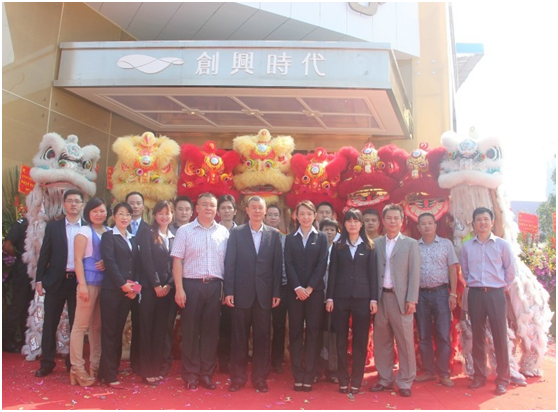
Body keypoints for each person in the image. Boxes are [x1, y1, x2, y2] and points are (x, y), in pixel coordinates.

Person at [224, 196, 283, 393]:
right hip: (241, 293)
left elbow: (277, 266)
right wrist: (229, 291)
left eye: (260, 208)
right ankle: (238, 378)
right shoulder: (236, 233)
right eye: (253, 208)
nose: (257, 211)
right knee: (239, 337)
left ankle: (260, 378)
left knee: (263, 337)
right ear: (247, 210)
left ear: (265, 211)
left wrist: (276, 291)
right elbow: (230, 263)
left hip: (264, 294)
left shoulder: (274, 235)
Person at [172, 193, 229, 390]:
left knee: (210, 333)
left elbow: (228, 263)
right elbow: (177, 260)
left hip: (215, 286)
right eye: (204, 204)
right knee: (190, 331)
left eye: (212, 205)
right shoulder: (185, 231)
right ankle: (190, 374)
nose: (208, 208)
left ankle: (206, 374)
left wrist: (226, 289)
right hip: (191, 285)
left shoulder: (224, 232)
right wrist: (179, 288)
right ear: (197, 208)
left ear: (216, 209)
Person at [461, 207, 515, 396]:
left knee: (500, 336)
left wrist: (499, 288)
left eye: (486, 219)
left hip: (496, 294)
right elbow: (465, 271)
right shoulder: (467, 246)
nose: (482, 222)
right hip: (475, 294)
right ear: (474, 224)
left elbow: (510, 272)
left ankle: (503, 379)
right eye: (479, 219)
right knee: (477, 335)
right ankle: (479, 375)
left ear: (492, 222)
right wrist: (476, 285)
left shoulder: (502, 245)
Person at [370, 204, 420, 398]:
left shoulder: (410, 244)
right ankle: (384, 378)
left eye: (396, 218)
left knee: (405, 341)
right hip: (381, 298)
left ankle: (405, 381)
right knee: (382, 341)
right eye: (389, 218)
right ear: (383, 221)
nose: (392, 221)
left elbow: (415, 273)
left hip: (402, 300)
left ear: (402, 221)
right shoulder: (375, 243)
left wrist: (412, 299)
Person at [34, 189, 85, 378]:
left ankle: (73, 363)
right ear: (64, 204)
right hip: (56, 280)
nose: (73, 204)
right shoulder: (53, 227)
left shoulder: (87, 228)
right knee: (50, 323)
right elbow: (44, 254)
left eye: (77, 201)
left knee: (76, 324)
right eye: (70, 201)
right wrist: (40, 279)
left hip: (78, 282)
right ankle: (47, 362)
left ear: (82, 205)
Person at [326, 209, 377, 394]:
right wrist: (330, 297)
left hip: (363, 298)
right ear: (344, 224)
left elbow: (373, 274)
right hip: (340, 297)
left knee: (360, 340)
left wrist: (374, 299)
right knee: (340, 339)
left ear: (361, 224)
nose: (353, 224)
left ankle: (356, 379)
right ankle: (342, 379)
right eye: (349, 221)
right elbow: (332, 273)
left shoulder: (369, 246)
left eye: (356, 221)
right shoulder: (338, 246)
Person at [285, 201, 328, 392]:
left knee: (313, 332)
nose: (305, 217)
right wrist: (297, 287)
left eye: (309, 214)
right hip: (294, 293)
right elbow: (288, 264)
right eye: (301, 213)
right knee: (295, 332)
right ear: (296, 216)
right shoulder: (290, 238)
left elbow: (322, 264)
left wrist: (309, 288)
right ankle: (298, 374)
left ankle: (310, 374)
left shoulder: (321, 237)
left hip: (314, 293)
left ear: (315, 216)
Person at [414, 213, 458, 387]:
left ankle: (444, 373)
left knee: (443, 334)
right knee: (423, 334)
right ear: (418, 227)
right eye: (423, 224)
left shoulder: (446, 244)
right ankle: (429, 371)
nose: (427, 226)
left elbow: (453, 269)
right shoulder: (413, 246)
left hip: (441, 294)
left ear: (435, 225)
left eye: (430, 223)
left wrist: (453, 294)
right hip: (421, 295)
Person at [98, 202, 139, 389]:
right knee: (110, 333)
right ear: (114, 217)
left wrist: (134, 289)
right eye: (121, 214)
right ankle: (109, 374)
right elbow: (110, 263)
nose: (125, 217)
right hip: (112, 291)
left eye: (128, 214)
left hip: (128, 293)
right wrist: (123, 285)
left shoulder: (132, 238)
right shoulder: (108, 236)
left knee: (119, 330)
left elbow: (136, 266)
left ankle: (109, 370)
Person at [69, 197, 109, 386]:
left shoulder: (108, 231)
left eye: (102, 211)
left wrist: (106, 262)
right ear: (88, 213)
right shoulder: (84, 231)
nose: (99, 214)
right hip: (89, 283)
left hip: (104, 284)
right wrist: (82, 284)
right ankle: (77, 367)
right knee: (80, 326)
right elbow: (77, 259)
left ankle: (96, 364)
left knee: (97, 327)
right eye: (95, 211)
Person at [137, 200, 175, 385]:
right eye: (161, 213)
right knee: (146, 328)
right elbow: (147, 261)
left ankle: (156, 367)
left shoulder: (175, 235)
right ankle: (146, 370)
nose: (164, 216)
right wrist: (157, 285)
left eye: (167, 213)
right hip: (150, 289)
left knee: (161, 329)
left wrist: (168, 285)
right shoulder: (147, 233)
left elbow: (178, 263)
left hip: (168, 290)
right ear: (154, 215)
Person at [161, 195, 194, 376]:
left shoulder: (196, 230)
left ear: (192, 212)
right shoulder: (167, 230)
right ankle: (165, 360)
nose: (183, 212)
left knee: (191, 324)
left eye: (187, 209)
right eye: (180, 209)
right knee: (167, 323)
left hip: (191, 284)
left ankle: (190, 361)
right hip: (170, 284)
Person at [2, 217, 33, 353]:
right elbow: (7, 246)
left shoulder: (44, 223)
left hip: (36, 270)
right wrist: (21, 256)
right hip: (22, 269)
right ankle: (8, 339)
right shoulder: (21, 224)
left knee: (29, 305)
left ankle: (25, 338)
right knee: (18, 305)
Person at [264, 204, 288, 375]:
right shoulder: (260, 236)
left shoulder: (287, 239)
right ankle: (262, 359)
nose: (272, 218)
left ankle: (277, 360)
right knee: (263, 324)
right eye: (270, 215)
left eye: (275, 215)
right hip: (263, 287)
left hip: (283, 286)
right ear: (265, 217)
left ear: (280, 219)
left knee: (279, 325)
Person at [125, 191, 147, 374]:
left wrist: (137, 286)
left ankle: (137, 362)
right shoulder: (115, 228)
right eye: (131, 203)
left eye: (138, 203)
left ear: (143, 206)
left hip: (141, 285)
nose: (135, 206)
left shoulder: (149, 229)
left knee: (140, 324)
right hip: (120, 284)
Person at [217, 194, 238, 374]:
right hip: (215, 283)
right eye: (223, 208)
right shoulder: (213, 231)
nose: (226, 211)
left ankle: (228, 360)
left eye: (229, 208)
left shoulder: (242, 232)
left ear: (235, 211)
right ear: (218, 212)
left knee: (230, 324)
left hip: (236, 286)